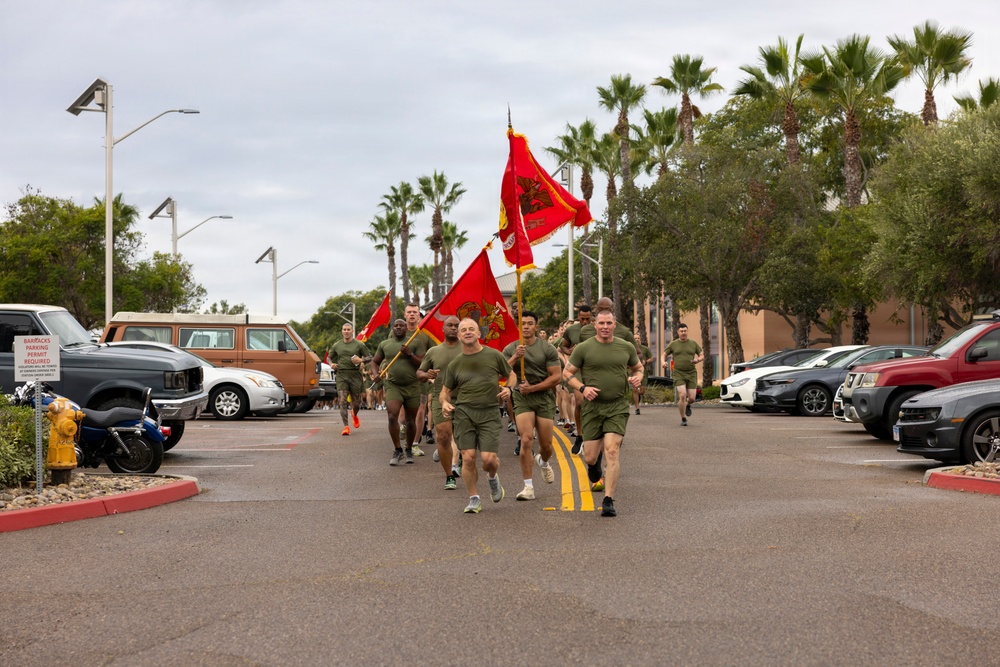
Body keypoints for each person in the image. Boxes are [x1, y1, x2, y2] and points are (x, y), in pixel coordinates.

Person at [563, 309, 643, 518]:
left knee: (612, 451)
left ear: (614, 325)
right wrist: (582, 388)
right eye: (601, 324)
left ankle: (608, 500)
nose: (605, 327)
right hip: (592, 408)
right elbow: (567, 373)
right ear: (595, 325)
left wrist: (637, 378)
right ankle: (594, 467)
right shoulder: (583, 348)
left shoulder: (625, 347)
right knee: (590, 457)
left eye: (609, 323)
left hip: (616, 406)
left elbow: (638, 367)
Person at [440, 317, 517, 514]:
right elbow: (445, 391)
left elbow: (511, 375)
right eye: (463, 329)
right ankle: (474, 498)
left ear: (479, 334)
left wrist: (509, 389)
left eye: (471, 329)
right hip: (464, 413)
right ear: (458, 335)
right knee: (468, 458)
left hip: (489, 412)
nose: (467, 332)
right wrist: (445, 403)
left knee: (489, 460)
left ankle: (492, 477)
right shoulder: (455, 364)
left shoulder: (494, 356)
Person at [502, 310, 561, 501]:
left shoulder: (547, 348)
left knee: (546, 446)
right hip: (521, 397)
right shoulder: (512, 348)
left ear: (536, 326)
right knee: (526, 439)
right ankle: (528, 487)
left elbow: (556, 377)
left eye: (529, 323)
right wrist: (514, 358)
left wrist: (533, 388)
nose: (526, 327)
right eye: (523, 323)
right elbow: (500, 371)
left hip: (543, 397)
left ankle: (543, 462)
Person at [371, 318, 427, 465]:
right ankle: (397, 450)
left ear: (406, 328)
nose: (399, 328)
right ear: (392, 328)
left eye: (402, 326)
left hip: (412, 386)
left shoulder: (414, 342)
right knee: (391, 416)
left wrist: (409, 354)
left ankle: (408, 449)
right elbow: (374, 362)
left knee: (410, 420)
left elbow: (423, 364)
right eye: (396, 326)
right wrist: (376, 374)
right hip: (393, 385)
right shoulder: (385, 344)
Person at [417, 316, 464, 490]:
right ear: (443, 329)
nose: (453, 328)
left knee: (462, 437)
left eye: (456, 326)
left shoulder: (469, 348)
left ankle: (458, 458)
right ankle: (449, 476)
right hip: (441, 398)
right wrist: (426, 374)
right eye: (449, 325)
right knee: (444, 436)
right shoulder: (434, 352)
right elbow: (419, 373)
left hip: (466, 398)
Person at [558, 304, 592, 454]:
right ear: (578, 317)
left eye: (587, 318)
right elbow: (563, 347)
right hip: (576, 369)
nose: (585, 321)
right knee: (579, 401)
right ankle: (579, 435)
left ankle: (593, 435)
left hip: (593, 369)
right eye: (582, 318)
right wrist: (570, 351)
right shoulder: (571, 330)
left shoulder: (596, 328)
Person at [402, 303, 434, 454]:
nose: (412, 314)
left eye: (415, 312)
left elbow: (434, 352)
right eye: (409, 312)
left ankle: (414, 444)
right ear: (405, 315)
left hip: (421, 376)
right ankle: (403, 427)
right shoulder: (398, 332)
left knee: (421, 410)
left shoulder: (425, 334)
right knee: (404, 411)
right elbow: (388, 352)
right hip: (402, 377)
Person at [329, 323, 371, 435]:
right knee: (342, 400)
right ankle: (346, 426)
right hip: (342, 374)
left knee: (356, 403)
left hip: (355, 375)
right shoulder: (337, 345)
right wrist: (331, 364)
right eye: (344, 329)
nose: (346, 331)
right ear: (342, 331)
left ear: (352, 331)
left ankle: (354, 413)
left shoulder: (359, 344)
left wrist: (361, 361)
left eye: (348, 329)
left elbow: (370, 357)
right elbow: (329, 357)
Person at [663, 323, 704, 426]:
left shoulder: (693, 343)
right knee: (682, 395)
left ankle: (688, 405)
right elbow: (664, 354)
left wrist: (697, 360)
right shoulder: (673, 344)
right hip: (678, 373)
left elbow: (701, 355)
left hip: (691, 373)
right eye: (681, 331)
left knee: (692, 398)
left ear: (687, 331)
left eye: (685, 331)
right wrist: (663, 362)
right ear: (678, 332)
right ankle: (683, 418)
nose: (683, 333)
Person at [633, 334, 652, 416]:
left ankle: (639, 395)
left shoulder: (645, 349)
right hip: (633, 371)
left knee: (642, 391)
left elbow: (651, 357)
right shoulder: (631, 348)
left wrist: (646, 361)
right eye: (635, 338)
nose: (637, 339)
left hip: (643, 371)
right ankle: (637, 408)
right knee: (635, 390)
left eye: (638, 338)